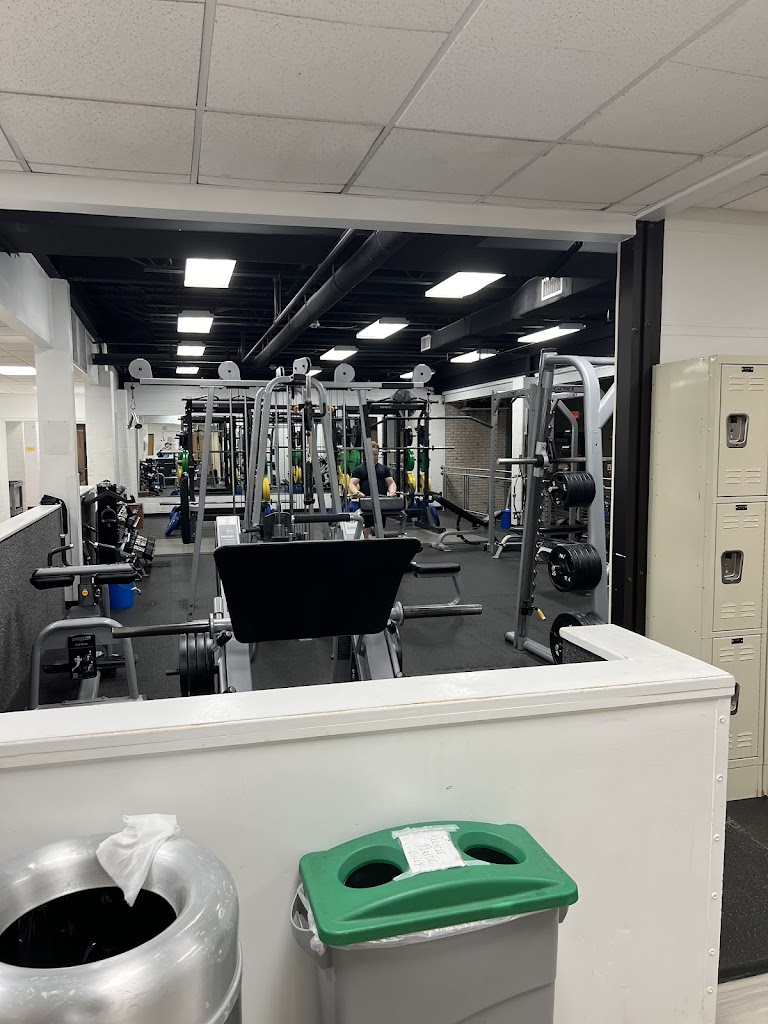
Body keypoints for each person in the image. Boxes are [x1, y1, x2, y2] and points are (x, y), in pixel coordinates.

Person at [348, 441, 397, 537]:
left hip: (381, 502)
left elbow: (391, 483)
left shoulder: (383, 469)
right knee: (365, 527)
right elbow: (352, 484)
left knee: (380, 527)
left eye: (376, 454)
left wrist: (392, 491)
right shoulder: (359, 469)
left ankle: (379, 543)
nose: (374, 457)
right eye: (372, 454)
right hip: (366, 502)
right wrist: (356, 492)